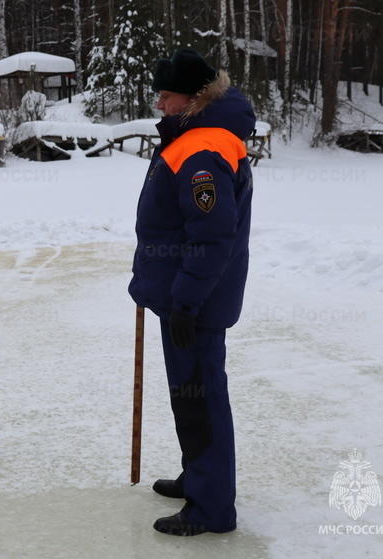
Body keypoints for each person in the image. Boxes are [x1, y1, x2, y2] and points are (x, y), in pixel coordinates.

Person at [128, 49, 255, 535]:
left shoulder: (203, 148)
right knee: (191, 396)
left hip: (194, 304)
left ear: (193, 98)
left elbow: (211, 234)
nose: (158, 104)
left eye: (165, 95)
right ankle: (200, 478)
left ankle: (211, 508)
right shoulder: (195, 137)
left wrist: (184, 300)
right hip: (186, 295)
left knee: (201, 398)